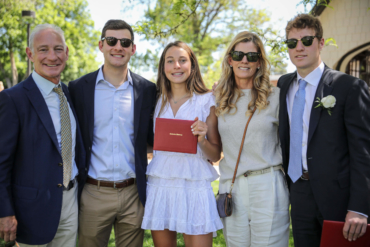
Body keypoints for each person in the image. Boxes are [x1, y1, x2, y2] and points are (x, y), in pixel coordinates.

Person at [278, 14, 370, 247]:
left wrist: (359, 207)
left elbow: (364, 152)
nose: (299, 48)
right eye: (292, 43)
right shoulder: (282, 86)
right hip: (298, 193)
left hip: (339, 197)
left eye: (307, 41)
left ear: (321, 43)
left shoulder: (349, 87)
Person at [68, 19, 156, 247]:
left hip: (133, 192)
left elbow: (153, 137)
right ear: (101, 45)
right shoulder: (78, 88)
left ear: (133, 49)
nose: (118, 46)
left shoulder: (147, 90)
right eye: (112, 41)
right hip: (94, 192)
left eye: (125, 42)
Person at [0, 24, 85, 246]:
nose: (52, 56)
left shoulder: (68, 93)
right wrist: (4, 212)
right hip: (32, 210)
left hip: (70, 201)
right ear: (30, 54)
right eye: (43, 49)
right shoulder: (13, 99)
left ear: (66, 52)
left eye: (58, 49)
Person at [141, 41, 223, 247]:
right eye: (170, 61)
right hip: (162, 183)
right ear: (163, 67)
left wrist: (201, 139)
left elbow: (214, 156)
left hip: (194, 185)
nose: (176, 65)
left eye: (182, 60)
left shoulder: (207, 100)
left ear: (192, 65)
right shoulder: (155, 100)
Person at [214, 31, 289, 247]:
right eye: (238, 55)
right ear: (230, 60)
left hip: (267, 183)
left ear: (259, 63)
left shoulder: (275, 97)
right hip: (231, 186)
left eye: (252, 56)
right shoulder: (219, 99)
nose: (244, 60)